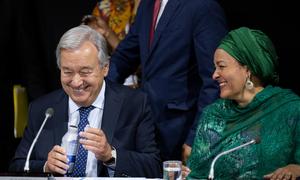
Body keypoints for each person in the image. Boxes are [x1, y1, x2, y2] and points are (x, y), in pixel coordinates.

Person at [9, 25, 161, 178]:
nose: (76, 82)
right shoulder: (42, 109)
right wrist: (45, 166)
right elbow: (17, 166)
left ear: (105, 68)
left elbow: (153, 166)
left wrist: (110, 155)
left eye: (85, 72)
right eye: (67, 72)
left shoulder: (134, 104)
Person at [106, 0, 228, 162]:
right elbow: (126, 54)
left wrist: (198, 137)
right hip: (147, 128)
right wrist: (96, 84)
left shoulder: (202, 5)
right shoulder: (147, 5)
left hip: (182, 132)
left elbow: (215, 80)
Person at [186, 27, 300, 179]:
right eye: (215, 68)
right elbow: (196, 175)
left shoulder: (290, 109)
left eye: (221, 66)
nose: (214, 75)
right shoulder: (212, 115)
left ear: (248, 69)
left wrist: (295, 169)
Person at [81, 0, 141, 88]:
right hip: (114, 82)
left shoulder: (155, 8)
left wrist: (108, 34)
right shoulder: (106, 6)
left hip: (146, 85)